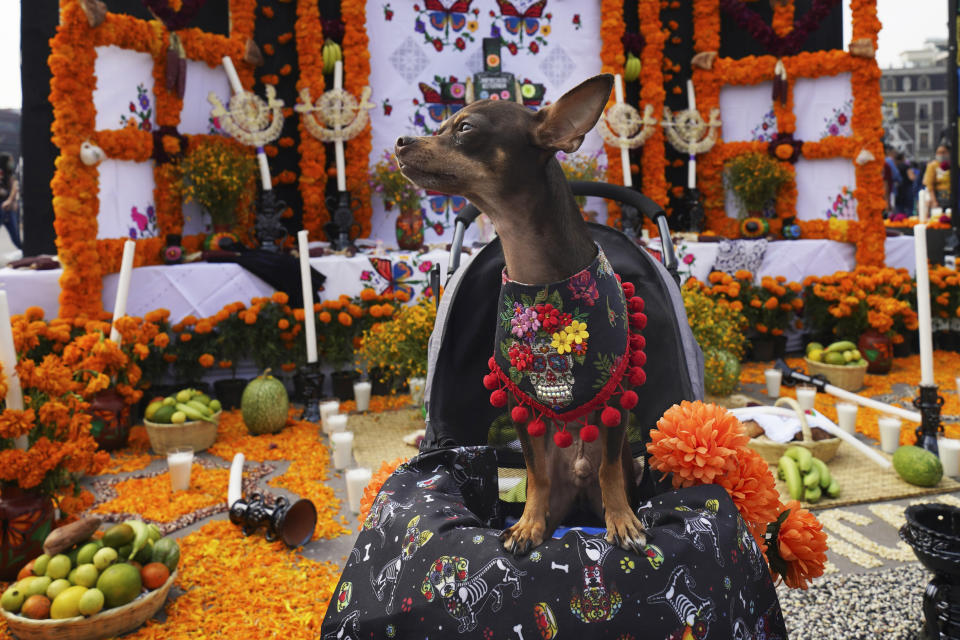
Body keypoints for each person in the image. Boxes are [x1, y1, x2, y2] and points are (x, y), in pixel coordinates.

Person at [0, 154, 21, 249]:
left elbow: (15, 186)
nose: (11, 163)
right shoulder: (1, 172)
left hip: (8, 207)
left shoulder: (10, 174)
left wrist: (11, 200)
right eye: (10, 161)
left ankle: (25, 251)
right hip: (3, 207)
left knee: (16, 236)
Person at [924, 142, 951, 212]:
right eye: (938, 152)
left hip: (952, 198)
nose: (941, 155)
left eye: (944, 152)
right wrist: (934, 201)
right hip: (938, 198)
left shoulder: (952, 165)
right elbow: (930, 185)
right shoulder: (932, 165)